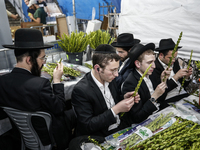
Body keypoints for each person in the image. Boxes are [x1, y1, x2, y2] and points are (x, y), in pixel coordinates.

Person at [0, 28, 75, 150]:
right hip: (48, 137)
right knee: (73, 109)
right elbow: (59, 108)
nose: (43, 63)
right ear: (29, 60)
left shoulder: (2, 81)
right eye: (42, 58)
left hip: (21, 137)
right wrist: (57, 81)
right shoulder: (40, 84)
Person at [71, 44, 140, 137]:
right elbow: (88, 125)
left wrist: (124, 98)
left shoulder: (110, 79)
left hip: (119, 129)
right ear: (97, 68)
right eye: (113, 70)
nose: (117, 74)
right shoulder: (81, 90)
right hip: (99, 136)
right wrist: (116, 110)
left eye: (117, 69)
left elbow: (113, 99)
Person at [122, 43, 170, 123]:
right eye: (149, 62)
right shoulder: (131, 83)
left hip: (159, 114)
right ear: (137, 64)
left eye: (154, 61)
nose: (154, 66)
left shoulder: (151, 74)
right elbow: (137, 117)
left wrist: (163, 81)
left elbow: (161, 99)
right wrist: (154, 96)